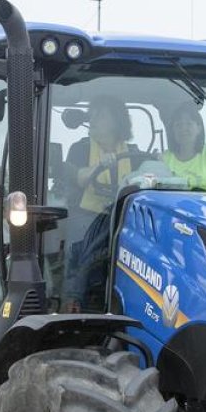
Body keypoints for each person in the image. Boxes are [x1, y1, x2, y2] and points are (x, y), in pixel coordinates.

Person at [63, 95, 142, 312]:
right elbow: (79, 177)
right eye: (93, 113)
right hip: (86, 216)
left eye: (101, 114)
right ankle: (72, 300)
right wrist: (99, 166)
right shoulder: (80, 149)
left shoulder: (135, 154)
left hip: (122, 217)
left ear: (117, 121)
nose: (93, 119)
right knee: (77, 254)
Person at [162, 102, 206, 191]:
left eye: (189, 123)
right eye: (178, 125)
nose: (183, 128)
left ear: (199, 128)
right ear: (173, 131)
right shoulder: (165, 158)